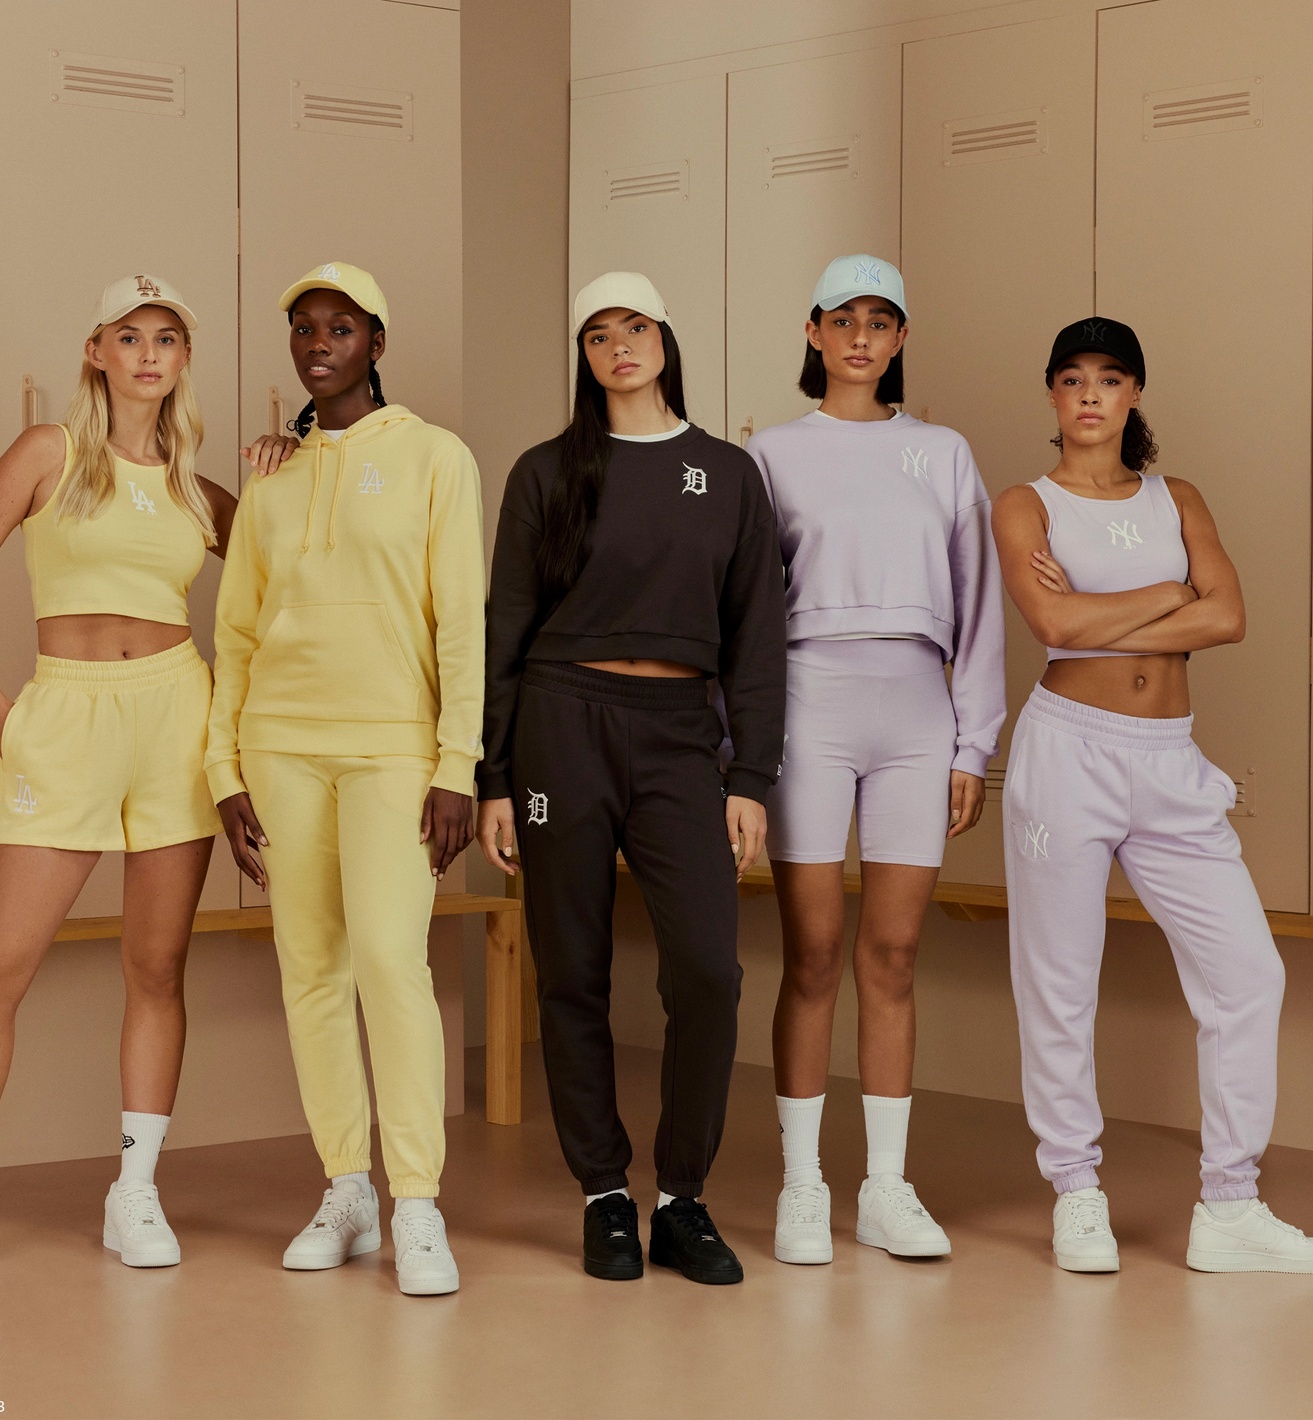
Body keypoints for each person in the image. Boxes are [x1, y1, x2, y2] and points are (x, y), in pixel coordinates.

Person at [0, 277, 235, 1287]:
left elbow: (282, 574)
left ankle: (135, 1192)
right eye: (128, 336)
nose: (145, 353)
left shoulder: (193, 484)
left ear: (183, 359)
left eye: (165, 338)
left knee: (156, 965)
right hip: (69, 715)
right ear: (96, 349)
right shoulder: (50, 452)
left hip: (175, 713)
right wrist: (0, 713)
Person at [476, 272, 787, 1285]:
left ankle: (682, 1197)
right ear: (584, 352)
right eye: (599, 333)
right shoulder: (545, 471)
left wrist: (752, 777)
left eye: (636, 327)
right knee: (570, 967)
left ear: (665, 339)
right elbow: (506, 629)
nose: (620, 345)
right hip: (559, 723)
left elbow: (757, 639)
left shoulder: (726, 473)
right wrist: (493, 776)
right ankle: (604, 1192)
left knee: (707, 968)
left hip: (678, 735)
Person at [992, 316, 1313, 1273]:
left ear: (1134, 396)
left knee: (1249, 975)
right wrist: (1171, 594)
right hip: (1067, 756)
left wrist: (1108, 614)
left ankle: (1229, 1206)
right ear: (1053, 395)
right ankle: (1076, 1190)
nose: (1091, 395)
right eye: (1073, 379)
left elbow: (1234, 615)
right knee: (1058, 979)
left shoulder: (1181, 498)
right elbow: (1049, 620)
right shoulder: (1025, 504)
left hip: (1169, 761)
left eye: (1111, 379)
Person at [208, 261, 483, 1296]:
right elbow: (234, 635)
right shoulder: (274, 475)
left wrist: (458, 762)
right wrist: (223, 770)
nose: (317, 342)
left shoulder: (434, 457)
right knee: (310, 967)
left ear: (374, 340)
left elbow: (461, 619)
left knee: (387, 957)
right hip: (280, 747)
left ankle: (417, 1200)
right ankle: (348, 1188)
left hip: (393, 750)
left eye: (339, 327)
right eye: (303, 329)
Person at [746, 254, 1006, 1265]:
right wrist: (742, 747)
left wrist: (971, 743)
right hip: (806, 706)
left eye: (881, 321)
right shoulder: (770, 453)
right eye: (842, 319)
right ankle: (802, 1185)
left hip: (915, 713)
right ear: (812, 334)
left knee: (891, 954)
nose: (860, 336)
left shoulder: (940, 453)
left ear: (900, 341)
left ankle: (887, 1188)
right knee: (811, 951)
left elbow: (979, 604)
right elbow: (746, 607)